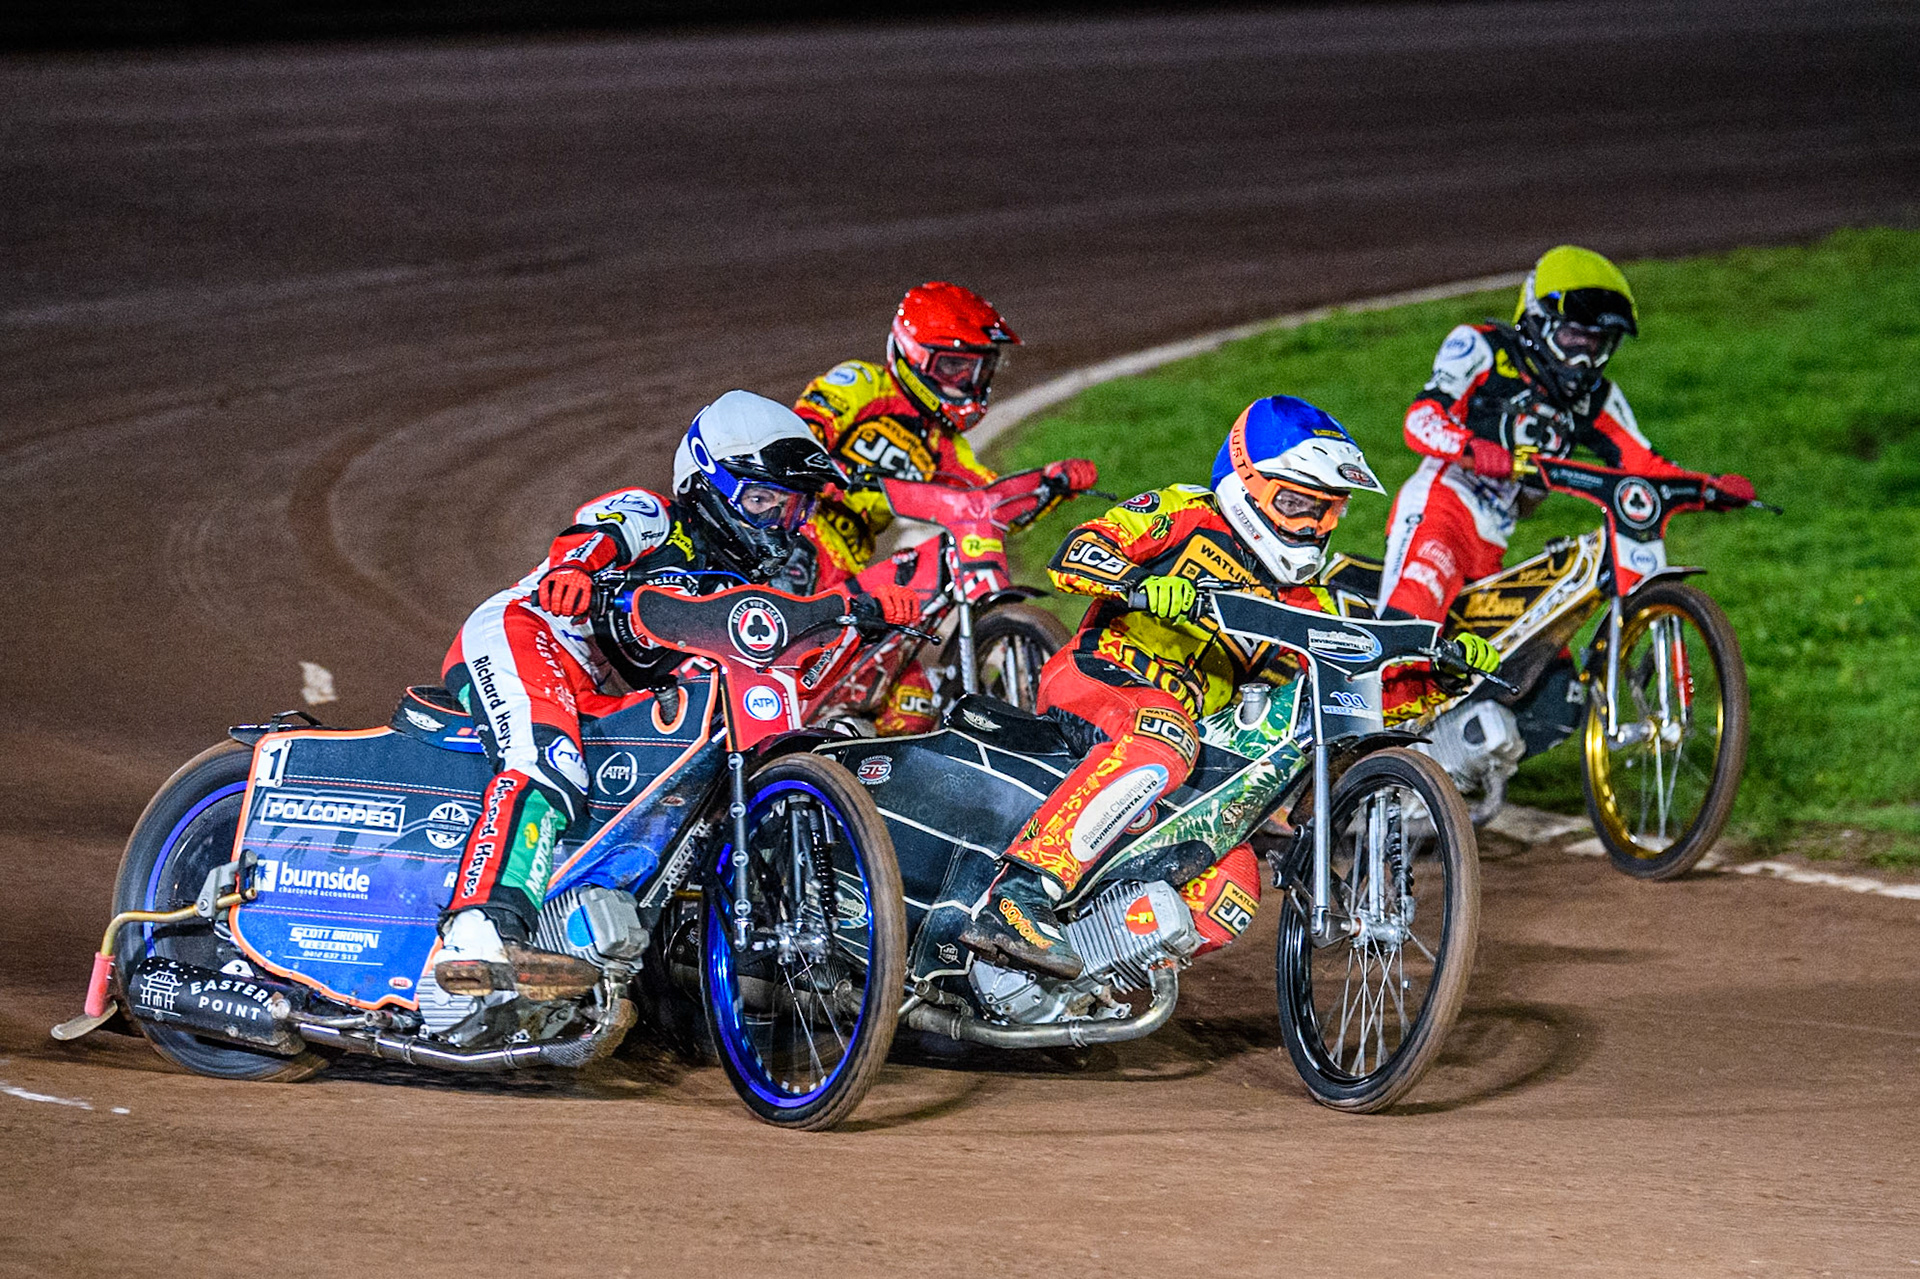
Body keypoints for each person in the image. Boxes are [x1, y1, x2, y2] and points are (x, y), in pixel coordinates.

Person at [957, 395, 1500, 980]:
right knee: (1164, 736)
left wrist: (1439, 676)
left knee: (1231, 887)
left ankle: (1073, 978)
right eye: (1297, 504)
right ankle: (1018, 894)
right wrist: (1140, 582)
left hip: (1180, 753)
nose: (1314, 525)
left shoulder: (1304, 604)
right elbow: (1080, 550)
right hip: (1098, 682)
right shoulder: (1190, 514)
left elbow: (1362, 693)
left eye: (1328, 510)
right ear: (1247, 483)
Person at [433, 390, 918, 990]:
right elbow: (599, 532)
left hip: (598, 686)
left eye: (791, 509)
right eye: (761, 499)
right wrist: (574, 570)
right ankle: (476, 929)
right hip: (531, 630)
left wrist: (864, 615)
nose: (776, 523)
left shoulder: (747, 586)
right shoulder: (656, 514)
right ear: (706, 482)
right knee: (548, 763)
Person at [1378, 245, 1756, 621]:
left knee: (1539, 665)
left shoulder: (1598, 399)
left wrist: (1709, 487)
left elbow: (1643, 463)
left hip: (1492, 540)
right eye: (1575, 340)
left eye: (1598, 346)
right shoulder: (1484, 347)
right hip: (1440, 511)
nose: (1584, 361)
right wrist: (1472, 448)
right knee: (1409, 624)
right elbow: (1421, 419)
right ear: (1538, 321)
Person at [794, 281, 1095, 733]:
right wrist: (827, 466)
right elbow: (796, 435)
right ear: (914, 355)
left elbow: (987, 502)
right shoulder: (860, 384)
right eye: (954, 366)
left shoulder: (943, 445)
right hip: (799, 537)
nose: (966, 383)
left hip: (852, 566)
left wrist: (1050, 485)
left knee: (913, 709)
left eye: (976, 371)